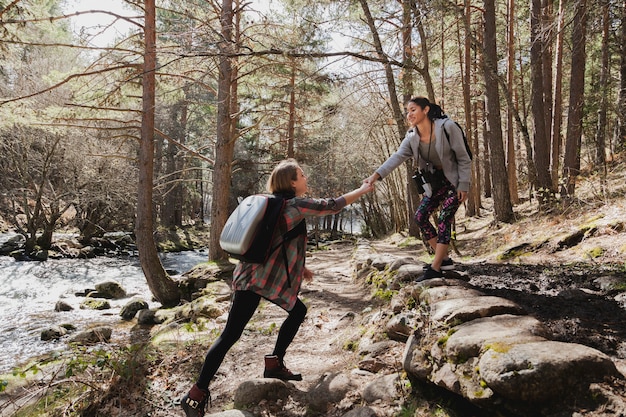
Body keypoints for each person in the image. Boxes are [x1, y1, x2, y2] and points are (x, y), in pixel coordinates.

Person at [181, 158, 374, 417]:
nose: (306, 178)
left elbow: (280, 240)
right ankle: (196, 395)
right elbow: (333, 205)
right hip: (258, 281)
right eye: (301, 175)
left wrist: (300, 268)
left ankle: (272, 364)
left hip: (253, 277)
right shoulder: (294, 204)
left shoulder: (273, 204)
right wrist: (362, 190)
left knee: (288, 315)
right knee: (232, 335)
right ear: (292, 182)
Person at [364, 96, 472, 280]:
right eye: (408, 111)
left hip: (454, 181)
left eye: (413, 109)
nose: (409, 114)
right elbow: (397, 157)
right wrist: (375, 176)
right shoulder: (412, 137)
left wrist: (464, 184)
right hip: (435, 183)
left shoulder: (448, 127)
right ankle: (444, 259)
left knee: (445, 218)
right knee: (420, 217)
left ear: (426, 109)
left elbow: (463, 157)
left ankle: (436, 267)